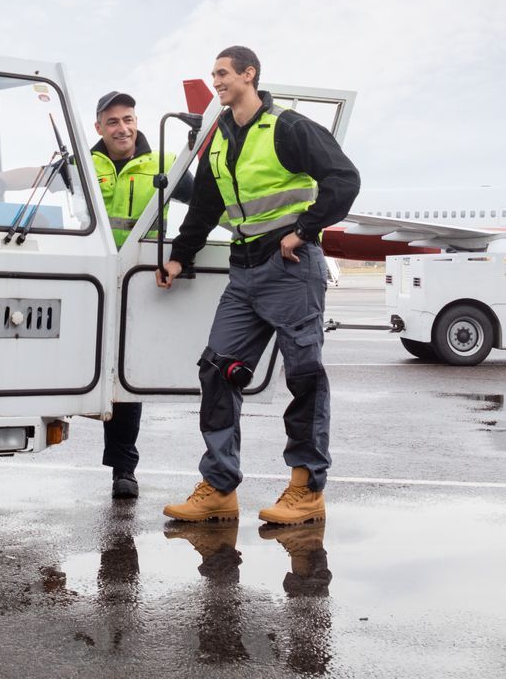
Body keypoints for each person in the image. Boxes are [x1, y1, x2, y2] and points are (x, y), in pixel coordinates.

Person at [159, 46, 359, 528]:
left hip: (289, 265)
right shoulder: (221, 138)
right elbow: (204, 207)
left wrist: (305, 229)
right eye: (213, 75)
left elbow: (344, 180)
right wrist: (180, 257)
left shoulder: (287, 127)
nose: (216, 81)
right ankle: (220, 486)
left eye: (223, 73)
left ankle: (307, 488)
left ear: (250, 75)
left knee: (304, 376)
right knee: (217, 369)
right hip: (243, 270)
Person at [89, 90, 192, 500]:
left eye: (128, 119)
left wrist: (184, 253)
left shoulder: (166, 164)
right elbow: (38, 177)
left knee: (123, 382)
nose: (122, 128)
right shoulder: (86, 164)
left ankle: (123, 470)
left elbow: (206, 204)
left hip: (136, 285)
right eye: (113, 121)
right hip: (90, 282)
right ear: (99, 127)